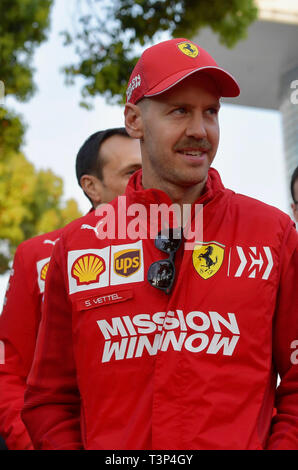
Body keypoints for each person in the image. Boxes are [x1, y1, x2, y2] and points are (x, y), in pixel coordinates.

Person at [22, 38, 298, 450]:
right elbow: (49, 398)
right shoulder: (79, 245)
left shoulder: (272, 234)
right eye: (179, 111)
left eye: (211, 112)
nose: (199, 130)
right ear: (134, 120)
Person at [0, 128, 141, 450]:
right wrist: (36, 443)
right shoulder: (40, 255)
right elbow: (8, 368)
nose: (145, 179)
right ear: (92, 187)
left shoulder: (185, 243)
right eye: (132, 172)